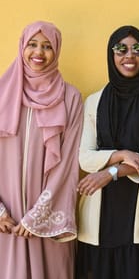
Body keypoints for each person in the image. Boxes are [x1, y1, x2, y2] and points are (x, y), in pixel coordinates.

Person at [76, 25, 139, 279]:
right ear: (111, 54)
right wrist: (122, 154)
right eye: (121, 49)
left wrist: (110, 173)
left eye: (137, 49)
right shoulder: (94, 102)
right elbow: (85, 157)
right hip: (101, 215)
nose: (129, 55)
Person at [0, 21, 83, 278]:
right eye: (33, 44)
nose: (39, 52)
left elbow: (69, 163)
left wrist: (37, 217)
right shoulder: (2, 93)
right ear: (22, 47)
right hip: (6, 221)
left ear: (56, 51)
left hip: (46, 219)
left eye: (47, 46)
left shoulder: (70, 97)